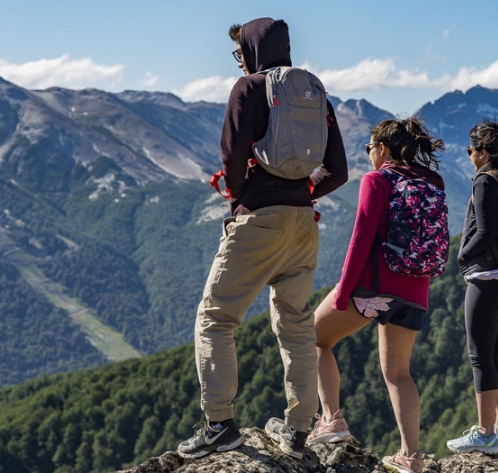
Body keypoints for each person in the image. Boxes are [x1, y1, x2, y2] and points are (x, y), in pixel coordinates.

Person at [177, 18, 348, 460]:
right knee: (295, 325)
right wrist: (302, 192)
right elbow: (339, 169)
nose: (240, 62)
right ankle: (296, 430)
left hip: (259, 221)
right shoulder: (314, 91)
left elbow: (232, 155)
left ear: (252, 49)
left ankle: (219, 424)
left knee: (216, 319)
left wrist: (241, 196)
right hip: (303, 224)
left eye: (240, 53)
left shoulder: (249, 89)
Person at [306, 118, 445, 473]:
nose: (368, 155)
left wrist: (343, 294)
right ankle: (411, 457)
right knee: (399, 373)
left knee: (314, 339)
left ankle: (331, 420)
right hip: (416, 289)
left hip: (374, 286)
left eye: (369, 148)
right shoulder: (432, 181)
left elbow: (361, 238)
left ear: (382, 149)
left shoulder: (377, 179)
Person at [446, 122, 498, 454]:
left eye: (470, 151)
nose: (469, 157)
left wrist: (461, 255)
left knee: (480, 356)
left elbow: (482, 232)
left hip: (487, 278)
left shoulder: (485, 180)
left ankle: (483, 434)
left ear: (482, 152)